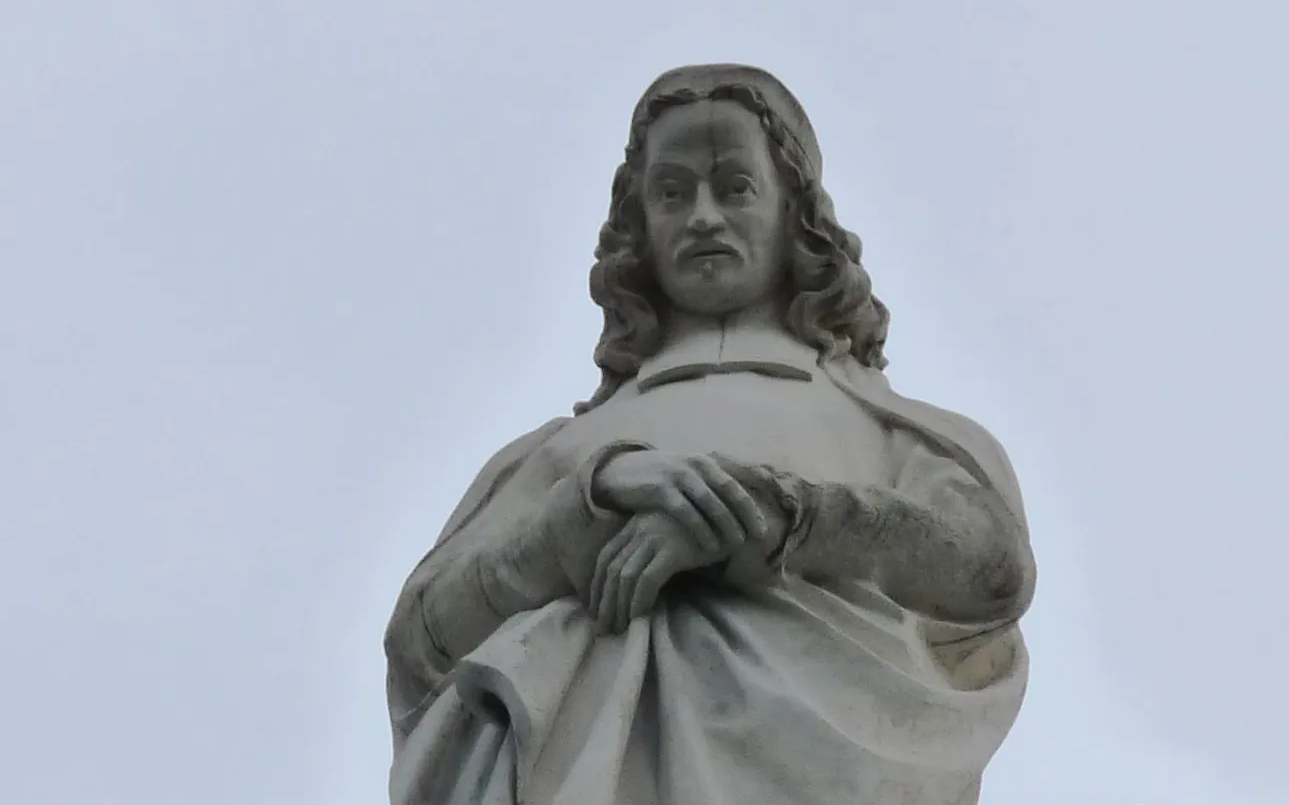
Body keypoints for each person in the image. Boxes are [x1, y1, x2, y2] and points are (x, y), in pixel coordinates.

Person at [383, 64, 1036, 805]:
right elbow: (421, 643)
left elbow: (990, 569)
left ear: (795, 215)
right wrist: (588, 511)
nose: (702, 217)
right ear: (639, 225)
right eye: (671, 192)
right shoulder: (557, 454)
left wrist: (770, 516)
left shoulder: (888, 427)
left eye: (735, 187)